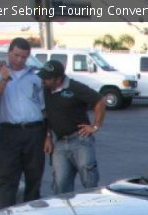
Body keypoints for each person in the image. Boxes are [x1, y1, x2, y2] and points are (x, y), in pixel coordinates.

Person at [0, 38, 46, 207]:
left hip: (34, 131)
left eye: (24, 57)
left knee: (34, 177)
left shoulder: (35, 75)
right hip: (9, 132)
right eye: (16, 55)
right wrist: (3, 79)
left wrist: (47, 135)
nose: (19, 60)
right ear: (9, 52)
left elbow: (44, 107)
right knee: (7, 178)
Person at [38, 60, 106, 194]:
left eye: (47, 78)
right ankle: (64, 213)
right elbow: (47, 114)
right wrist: (47, 136)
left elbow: (100, 101)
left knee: (89, 182)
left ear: (58, 79)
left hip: (80, 140)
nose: (43, 80)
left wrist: (95, 126)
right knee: (60, 184)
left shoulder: (75, 87)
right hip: (59, 143)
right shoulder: (45, 90)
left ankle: (95, 211)